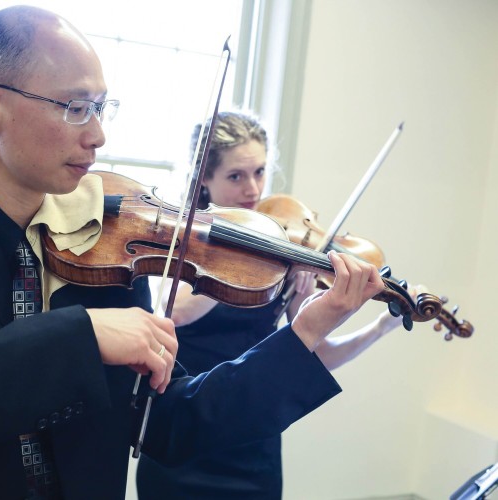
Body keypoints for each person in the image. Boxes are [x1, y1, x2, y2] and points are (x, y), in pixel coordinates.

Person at [0, 7, 385, 500]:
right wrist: (81, 336)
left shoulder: (112, 239)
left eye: (101, 107)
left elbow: (169, 423)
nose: (97, 135)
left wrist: (307, 333)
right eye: (76, 107)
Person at [137, 111, 422, 499]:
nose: (253, 189)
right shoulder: (187, 236)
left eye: (259, 172)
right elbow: (176, 310)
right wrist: (232, 258)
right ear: (204, 177)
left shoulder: (280, 251)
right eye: (236, 176)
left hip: (253, 445)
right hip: (185, 434)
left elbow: (314, 354)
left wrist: (377, 328)